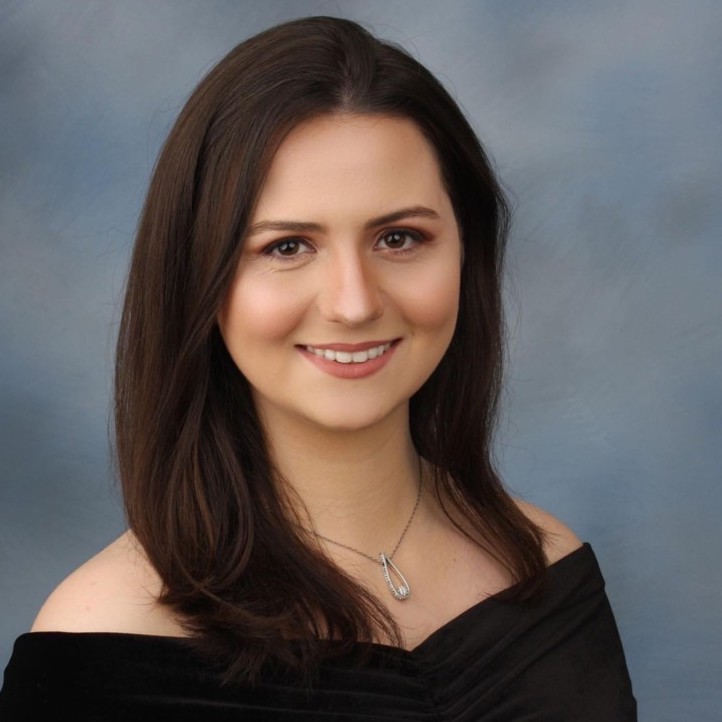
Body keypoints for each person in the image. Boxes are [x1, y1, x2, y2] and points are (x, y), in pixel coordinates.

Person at [0, 15, 636, 721]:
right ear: (198, 278)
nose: (354, 303)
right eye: (287, 247)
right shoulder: (100, 643)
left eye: (399, 238)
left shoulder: (549, 570)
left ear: (468, 252)